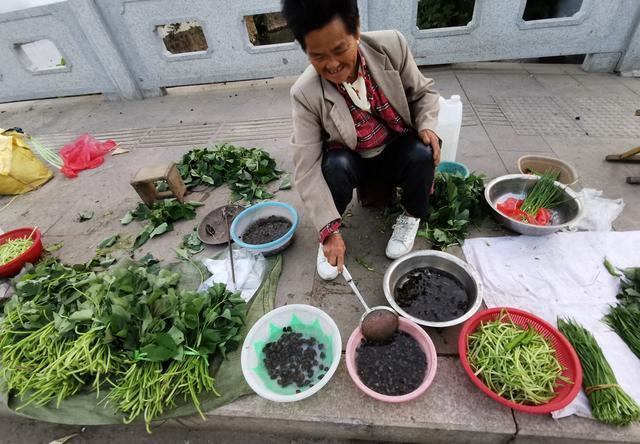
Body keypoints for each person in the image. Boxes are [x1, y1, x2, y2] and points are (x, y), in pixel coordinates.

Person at [281, 0, 441, 281]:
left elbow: (423, 94)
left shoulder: (391, 46)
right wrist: (327, 229)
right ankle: (331, 235)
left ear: (356, 30)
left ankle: (410, 216)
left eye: (340, 49)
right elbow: (305, 167)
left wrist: (427, 125)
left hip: (395, 147)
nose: (332, 65)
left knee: (422, 151)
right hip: (352, 158)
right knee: (333, 166)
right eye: (318, 56)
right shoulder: (304, 93)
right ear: (305, 51)